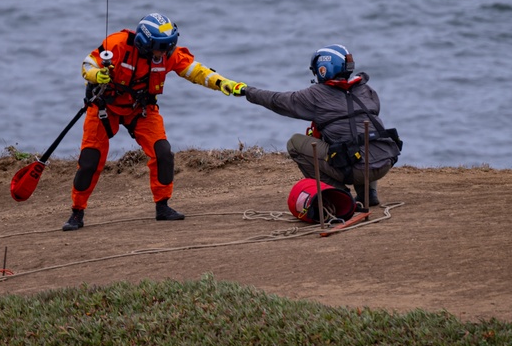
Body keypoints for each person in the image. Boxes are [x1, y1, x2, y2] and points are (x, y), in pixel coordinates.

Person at [62, 12, 247, 231]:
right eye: (160, 47)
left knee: (163, 152)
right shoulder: (117, 44)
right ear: (144, 43)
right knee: (90, 160)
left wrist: (223, 83)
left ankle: (163, 206)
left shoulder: (168, 54)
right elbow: (88, 63)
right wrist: (96, 75)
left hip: (140, 109)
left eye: (168, 47)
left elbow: (197, 71)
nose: (163, 53)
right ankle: (77, 211)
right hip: (104, 108)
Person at [243, 43, 402, 207]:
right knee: (359, 134)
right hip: (385, 160)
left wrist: (246, 91)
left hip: (358, 169)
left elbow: (277, 101)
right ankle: (368, 193)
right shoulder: (366, 89)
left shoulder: (316, 95)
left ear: (323, 69)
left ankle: (340, 195)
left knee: (295, 143)